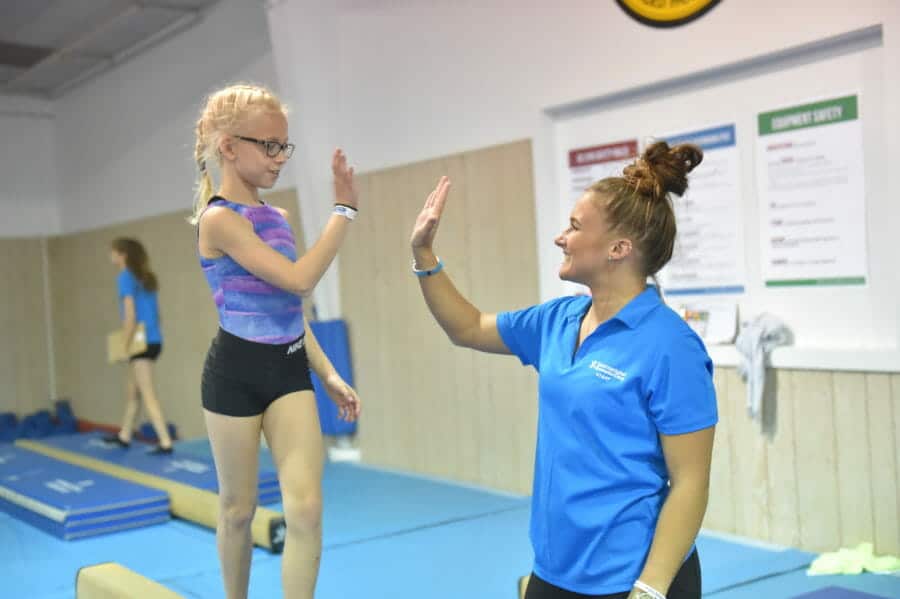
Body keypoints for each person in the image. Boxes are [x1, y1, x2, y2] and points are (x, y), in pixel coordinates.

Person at [409, 141, 717, 599]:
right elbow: (468, 327)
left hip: (632, 576)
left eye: (574, 226)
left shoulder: (671, 346)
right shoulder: (558, 319)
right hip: (555, 569)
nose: (561, 238)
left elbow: (690, 481)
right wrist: (423, 254)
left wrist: (650, 588)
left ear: (618, 248)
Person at [192, 83, 361, 599]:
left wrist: (328, 373)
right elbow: (300, 279)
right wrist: (343, 211)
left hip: (288, 370)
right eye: (268, 145)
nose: (279, 157)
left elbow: (288, 309)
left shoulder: (278, 218)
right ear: (228, 147)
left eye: (283, 146)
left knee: (306, 508)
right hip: (234, 375)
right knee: (237, 510)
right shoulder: (219, 220)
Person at [104, 237, 173, 454]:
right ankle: (125, 435)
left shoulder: (125, 277)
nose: (110, 255)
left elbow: (130, 316)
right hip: (153, 340)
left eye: (113, 251)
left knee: (147, 393)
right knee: (132, 393)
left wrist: (125, 347)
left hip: (141, 343)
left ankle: (165, 441)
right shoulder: (145, 277)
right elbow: (156, 314)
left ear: (122, 254)